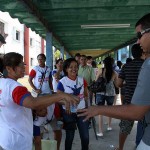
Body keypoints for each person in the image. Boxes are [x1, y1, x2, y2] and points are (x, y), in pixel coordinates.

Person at [78, 13, 150, 150]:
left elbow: (135, 112)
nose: (138, 41)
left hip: (134, 109)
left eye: (140, 35)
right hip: (123, 101)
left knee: (127, 128)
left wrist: (98, 109)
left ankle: (120, 147)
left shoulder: (147, 66)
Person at [0, 52, 79, 150]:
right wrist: (61, 95)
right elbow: (34, 103)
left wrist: (33, 111)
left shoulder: (2, 83)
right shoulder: (15, 88)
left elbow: (11, 106)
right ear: (9, 68)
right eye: (21, 65)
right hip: (18, 141)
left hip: (5, 138)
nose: (24, 67)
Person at [28, 54, 63, 150]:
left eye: (42, 59)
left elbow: (50, 81)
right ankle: (39, 144)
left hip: (48, 94)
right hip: (39, 96)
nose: (40, 60)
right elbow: (29, 80)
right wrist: (35, 89)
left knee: (55, 124)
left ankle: (57, 147)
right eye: (38, 59)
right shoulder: (35, 69)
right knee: (40, 118)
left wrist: (52, 90)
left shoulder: (48, 69)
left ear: (44, 60)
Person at [116, 44, 144, 150]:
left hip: (129, 100)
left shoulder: (126, 66)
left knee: (125, 127)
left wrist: (127, 84)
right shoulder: (146, 65)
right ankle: (139, 145)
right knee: (143, 125)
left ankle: (121, 147)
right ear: (142, 52)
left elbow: (119, 84)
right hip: (143, 101)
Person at [57, 58, 89, 150]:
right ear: (66, 69)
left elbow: (86, 96)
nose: (74, 69)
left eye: (76, 67)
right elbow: (57, 99)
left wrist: (89, 107)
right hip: (69, 113)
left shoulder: (82, 80)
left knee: (85, 137)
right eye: (71, 67)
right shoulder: (62, 82)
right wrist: (66, 102)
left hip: (82, 111)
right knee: (70, 137)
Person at [96, 56, 118, 137]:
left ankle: (100, 131)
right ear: (112, 63)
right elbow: (117, 84)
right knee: (110, 109)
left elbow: (96, 80)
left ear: (104, 63)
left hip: (101, 92)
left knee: (100, 112)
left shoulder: (101, 70)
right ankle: (109, 126)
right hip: (110, 93)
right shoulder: (115, 73)